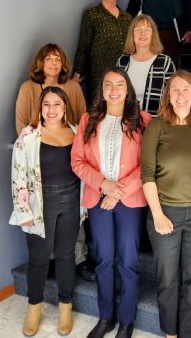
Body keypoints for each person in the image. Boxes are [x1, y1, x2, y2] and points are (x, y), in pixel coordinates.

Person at [71, 68, 151, 338]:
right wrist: (103, 185)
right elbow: (77, 161)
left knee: (127, 260)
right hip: (97, 198)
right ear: (102, 91)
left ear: (127, 89)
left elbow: (148, 164)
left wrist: (118, 191)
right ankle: (106, 317)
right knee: (104, 259)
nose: (114, 90)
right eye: (108, 85)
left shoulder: (143, 120)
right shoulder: (88, 120)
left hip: (130, 200)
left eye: (119, 84)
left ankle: (127, 321)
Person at [141, 70, 191, 338]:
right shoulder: (156, 126)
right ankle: (170, 333)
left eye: (186, 90)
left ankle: (188, 333)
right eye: (175, 90)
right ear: (167, 95)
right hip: (164, 212)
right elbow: (147, 174)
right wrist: (157, 215)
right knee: (167, 279)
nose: (180, 95)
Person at [10, 86, 81, 337]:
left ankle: (65, 307)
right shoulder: (28, 136)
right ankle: (34, 308)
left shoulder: (76, 132)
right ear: (40, 108)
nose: (51, 110)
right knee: (39, 258)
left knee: (65, 256)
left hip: (71, 201)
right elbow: (18, 176)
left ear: (65, 108)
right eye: (46, 104)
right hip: (41, 204)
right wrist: (23, 210)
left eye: (57, 104)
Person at [73, 0, 133, 99]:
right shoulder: (92, 15)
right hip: (99, 75)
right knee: (99, 113)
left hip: (124, 74)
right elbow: (84, 45)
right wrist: (77, 75)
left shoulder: (127, 18)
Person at [16, 43, 86, 134]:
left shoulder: (75, 88)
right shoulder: (27, 88)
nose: (54, 63)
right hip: (37, 144)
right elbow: (21, 125)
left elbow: (83, 123)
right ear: (40, 63)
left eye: (58, 59)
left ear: (62, 64)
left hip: (70, 143)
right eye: (48, 59)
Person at [117, 14, 176, 117]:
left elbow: (173, 96)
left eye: (147, 29)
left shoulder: (165, 62)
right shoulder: (122, 61)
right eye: (138, 29)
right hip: (126, 122)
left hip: (155, 125)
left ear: (153, 34)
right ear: (132, 34)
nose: (142, 33)